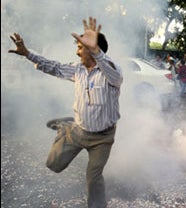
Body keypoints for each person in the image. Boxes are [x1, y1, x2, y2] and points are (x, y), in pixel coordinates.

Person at [8, 17, 123, 208]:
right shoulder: (77, 70)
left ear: (94, 49)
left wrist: (97, 52)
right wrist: (28, 54)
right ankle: (65, 127)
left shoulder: (112, 74)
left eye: (81, 47)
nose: (77, 51)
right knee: (53, 165)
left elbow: (114, 73)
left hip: (102, 139)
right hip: (78, 131)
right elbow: (52, 66)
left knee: (93, 178)